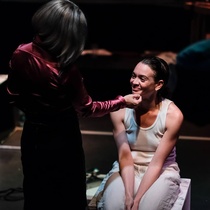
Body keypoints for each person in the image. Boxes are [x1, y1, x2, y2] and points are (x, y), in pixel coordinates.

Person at [6, 1, 142, 210]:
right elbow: (88, 108)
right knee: (68, 191)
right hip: (62, 136)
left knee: (35, 189)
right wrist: (122, 101)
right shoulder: (65, 71)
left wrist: (36, 111)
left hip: (32, 132)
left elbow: (12, 95)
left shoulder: (20, 53)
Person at [96, 55, 184, 210]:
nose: (134, 82)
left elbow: (157, 163)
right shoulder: (120, 109)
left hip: (161, 170)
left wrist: (137, 200)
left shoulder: (173, 115)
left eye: (142, 79)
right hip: (127, 167)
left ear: (158, 85)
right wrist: (129, 196)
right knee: (115, 206)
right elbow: (124, 156)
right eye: (133, 76)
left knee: (145, 207)